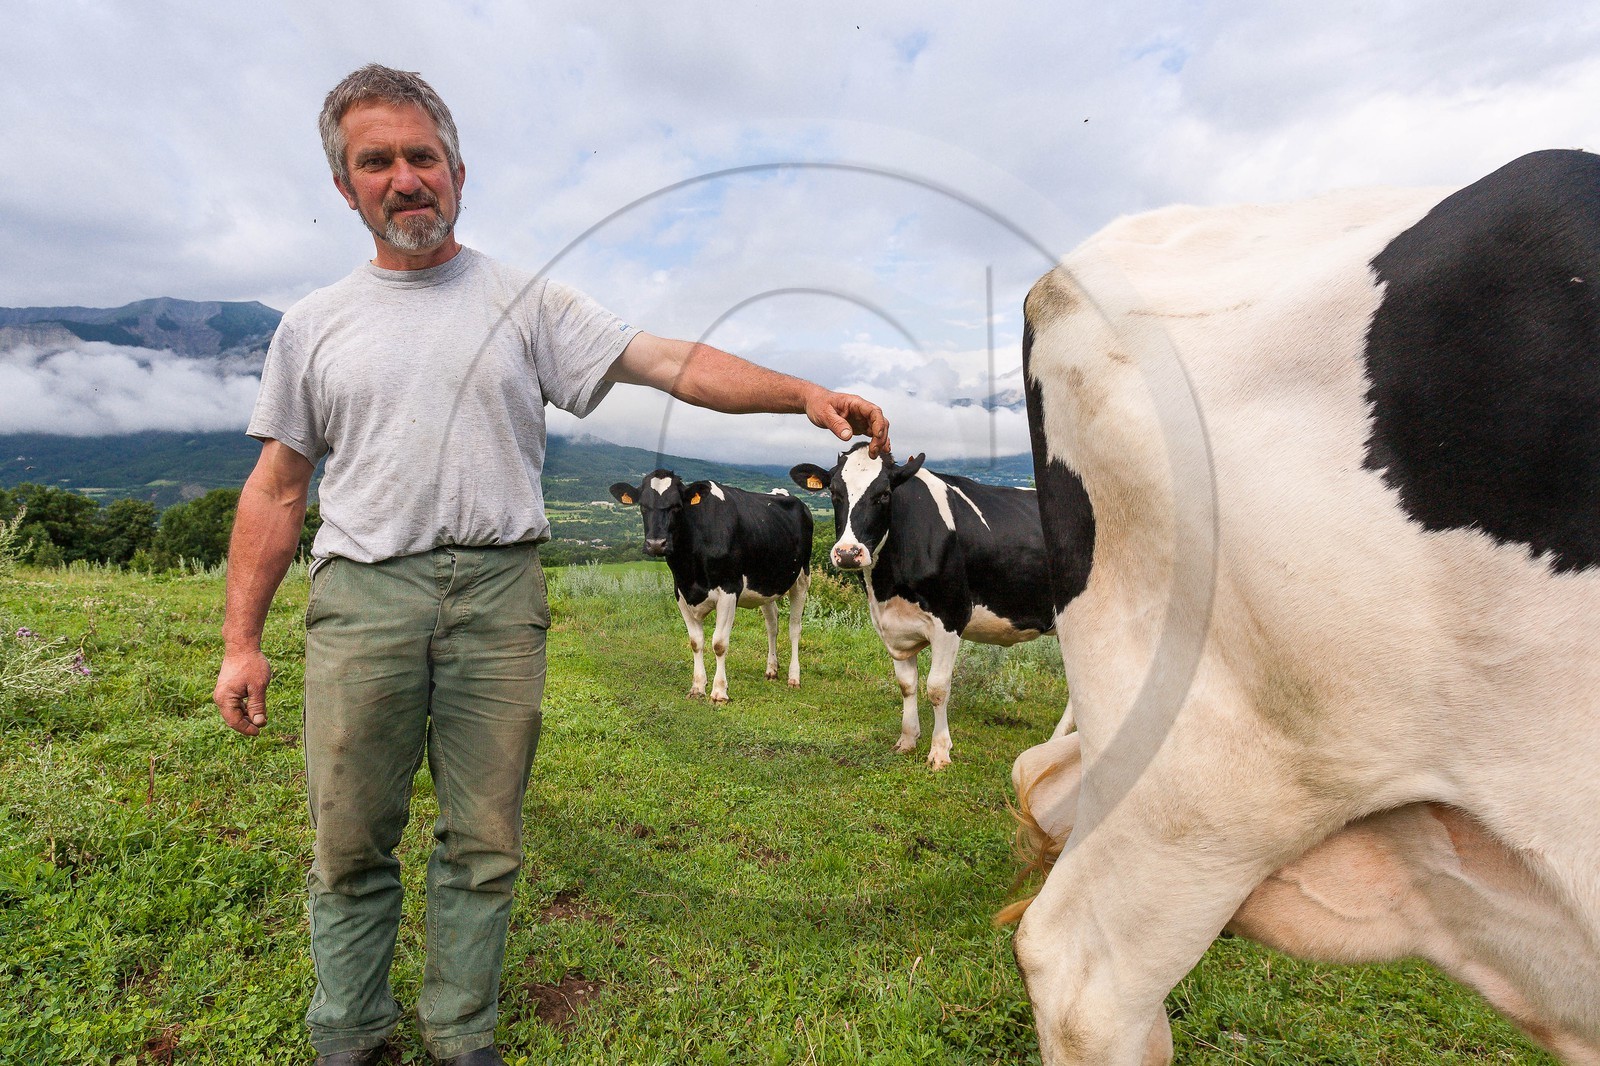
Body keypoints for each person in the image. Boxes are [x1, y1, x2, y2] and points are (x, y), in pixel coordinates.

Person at [212, 63, 890, 1066]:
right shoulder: (313, 325)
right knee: (348, 837)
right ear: (345, 188)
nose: (405, 178)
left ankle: (461, 1033)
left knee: (484, 839)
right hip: (362, 597)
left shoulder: (525, 303)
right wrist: (241, 642)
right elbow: (276, 489)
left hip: (498, 596)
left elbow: (667, 362)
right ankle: (348, 1033)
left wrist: (801, 394)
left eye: (422, 156)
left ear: (458, 171)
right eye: (376, 161)